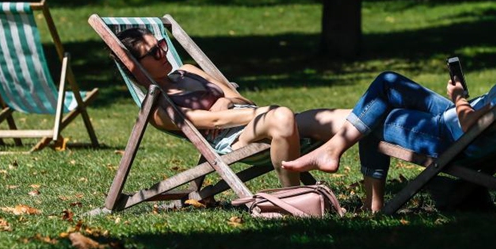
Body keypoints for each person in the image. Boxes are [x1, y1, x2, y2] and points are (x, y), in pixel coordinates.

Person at [283, 21, 496, 212]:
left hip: (453, 136)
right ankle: (334, 153)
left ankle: (367, 198)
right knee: (388, 82)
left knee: (379, 117)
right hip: (457, 123)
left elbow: (472, 126)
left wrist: (458, 97)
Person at [116, 27, 349, 188]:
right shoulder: (157, 109)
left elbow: (240, 99)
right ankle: (293, 195)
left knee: (351, 117)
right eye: (154, 52)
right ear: (136, 66)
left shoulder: (187, 69)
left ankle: (375, 201)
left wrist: (225, 101)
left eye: (162, 45)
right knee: (282, 116)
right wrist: (264, 112)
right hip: (235, 139)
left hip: (261, 121)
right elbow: (214, 122)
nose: (163, 53)